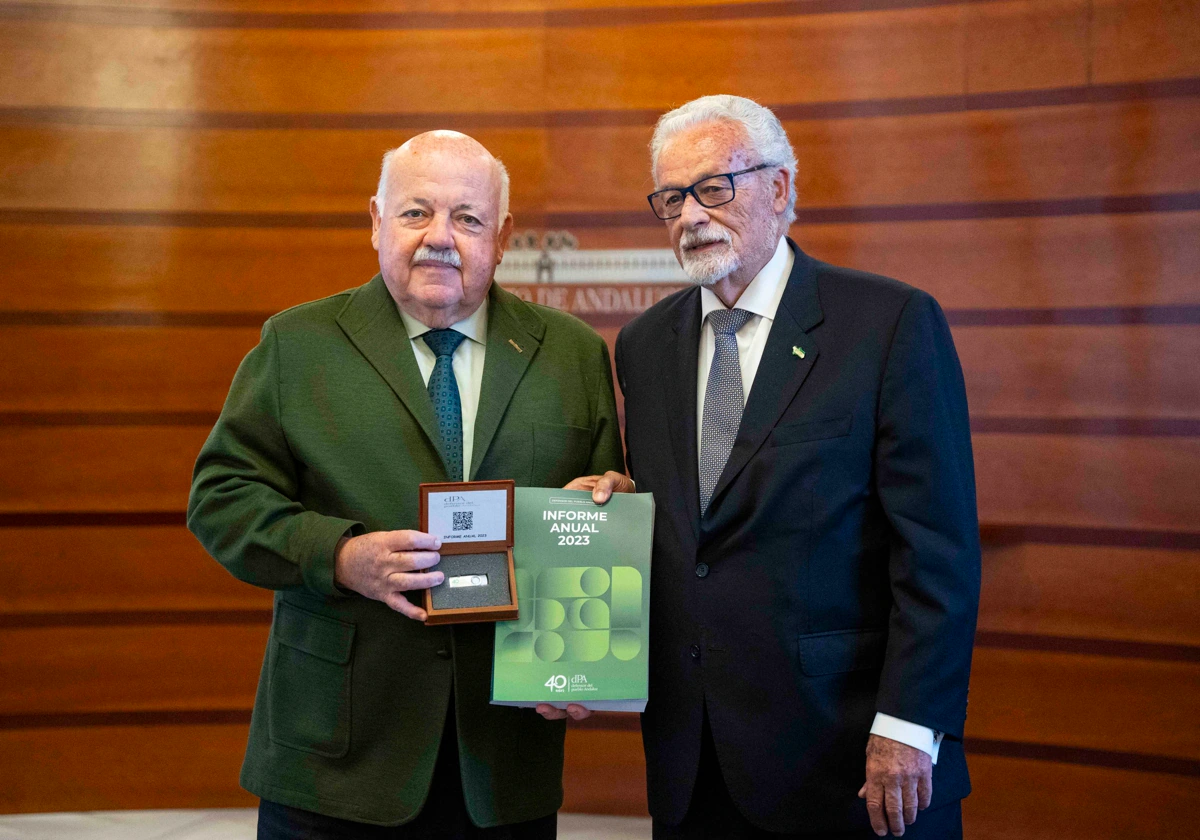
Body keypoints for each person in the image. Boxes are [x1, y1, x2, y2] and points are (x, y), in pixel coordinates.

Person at [554, 95, 980, 838]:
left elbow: (938, 552)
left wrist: (911, 725)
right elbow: (691, 530)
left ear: (780, 189)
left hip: (848, 757)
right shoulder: (646, 346)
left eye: (714, 188)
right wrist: (622, 503)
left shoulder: (888, 325)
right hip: (694, 762)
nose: (691, 216)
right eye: (671, 198)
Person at [188, 130, 624, 839]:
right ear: (375, 221)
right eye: (416, 213)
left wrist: (585, 642)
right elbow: (221, 498)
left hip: (505, 753)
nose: (440, 239)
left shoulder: (572, 353)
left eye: (468, 218)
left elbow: (596, 510)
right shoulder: (296, 345)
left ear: (503, 235)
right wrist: (339, 557)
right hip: (336, 752)